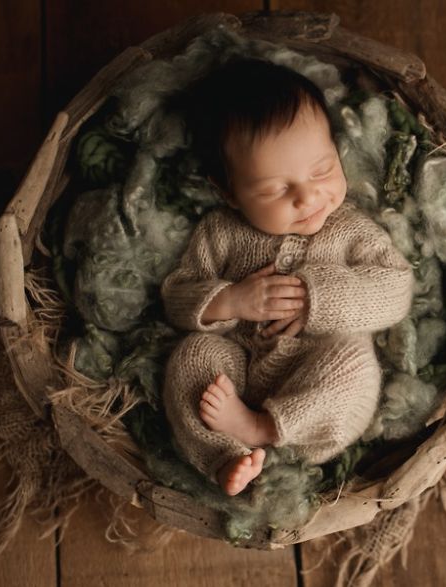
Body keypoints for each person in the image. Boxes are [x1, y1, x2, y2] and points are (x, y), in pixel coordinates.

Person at [160, 57, 414, 496]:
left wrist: (319, 298)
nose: (309, 196)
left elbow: (396, 287)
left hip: (317, 372)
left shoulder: (349, 229)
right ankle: (224, 456)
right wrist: (231, 301)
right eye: (276, 189)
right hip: (236, 364)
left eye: (322, 170)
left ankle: (262, 428)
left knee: (354, 368)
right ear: (229, 193)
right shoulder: (221, 231)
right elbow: (178, 296)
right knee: (192, 358)